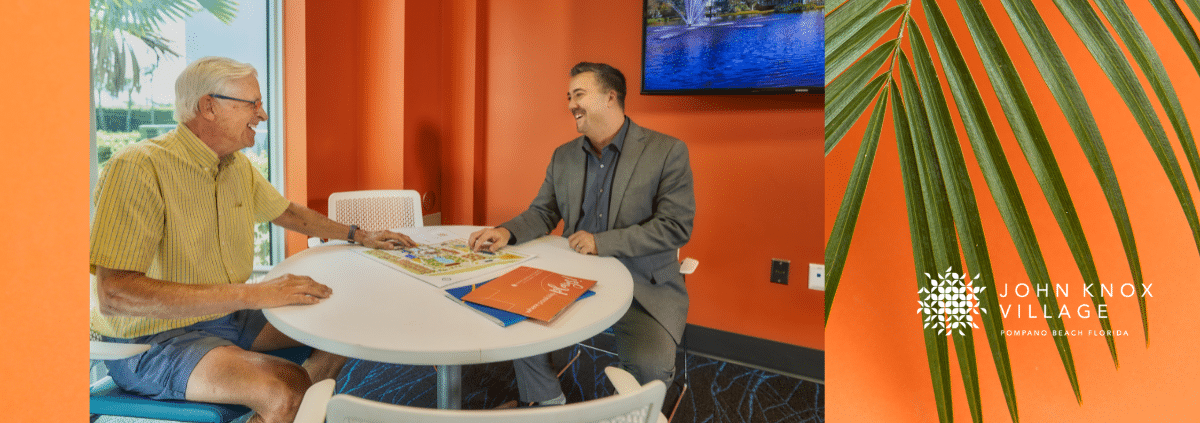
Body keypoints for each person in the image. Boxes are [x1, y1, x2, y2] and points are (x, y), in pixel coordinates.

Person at [90, 56, 417, 423]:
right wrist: (253, 293)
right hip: (153, 340)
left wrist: (359, 234)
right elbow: (115, 295)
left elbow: (287, 212)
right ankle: (287, 401)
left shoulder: (236, 166)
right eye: (253, 104)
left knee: (343, 326)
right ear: (208, 107)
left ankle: (289, 410)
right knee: (285, 387)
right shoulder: (138, 167)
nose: (262, 115)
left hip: (225, 316)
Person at [468, 62, 695, 406]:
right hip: (571, 278)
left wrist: (602, 242)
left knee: (650, 374)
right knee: (517, 327)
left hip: (642, 285)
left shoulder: (666, 151)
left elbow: (676, 226)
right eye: (569, 97)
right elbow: (543, 212)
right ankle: (548, 403)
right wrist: (506, 231)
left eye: (579, 94)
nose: (571, 104)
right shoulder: (564, 156)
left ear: (610, 97)